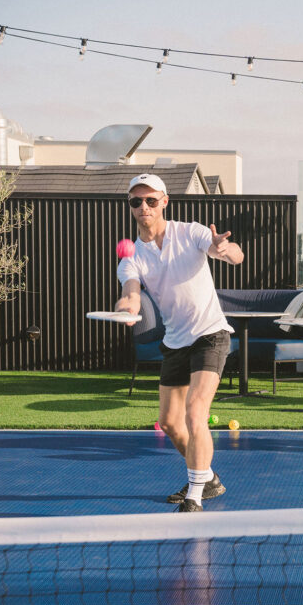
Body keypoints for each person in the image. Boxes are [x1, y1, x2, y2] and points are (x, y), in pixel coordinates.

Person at [114, 173, 244, 511]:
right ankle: (209, 478)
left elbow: (235, 255)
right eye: (136, 201)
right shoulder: (132, 258)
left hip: (210, 334)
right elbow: (131, 295)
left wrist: (223, 248)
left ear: (164, 202)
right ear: (131, 207)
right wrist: (126, 309)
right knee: (171, 423)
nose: (144, 206)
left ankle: (195, 496)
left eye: (151, 200)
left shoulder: (192, 232)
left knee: (195, 412)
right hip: (175, 342)